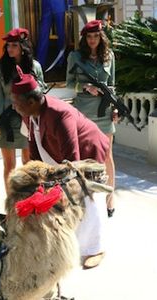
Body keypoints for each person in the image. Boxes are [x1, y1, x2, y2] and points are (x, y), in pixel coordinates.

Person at [11, 66, 110, 268]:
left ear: (31, 101)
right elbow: (34, 148)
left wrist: (55, 183)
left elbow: (71, 161)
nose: (13, 106)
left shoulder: (59, 115)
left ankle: (95, 248)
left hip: (87, 150)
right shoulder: (29, 113)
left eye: (16, 102)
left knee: (88, 195)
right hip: (57, 155)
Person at [66, 20, 116, 218]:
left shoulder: (109, 56)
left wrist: (116, 108)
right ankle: (86, 201)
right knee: (85, 157)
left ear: (101, 37)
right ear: (84, 38)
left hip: (104, 113)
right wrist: (85, 87)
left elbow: (112, 84)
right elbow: (70, 83)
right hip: (84, 113)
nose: (92, 39)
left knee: (107, 156)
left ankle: (110, 200)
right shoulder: (75, 56)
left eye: (96, 36)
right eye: (89, 36)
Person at [0, 28, 46, 193]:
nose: (9, 49)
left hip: (28, 120)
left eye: (14, 45)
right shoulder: (0, 66)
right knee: (9, 165)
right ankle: (11, 205)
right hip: (7, 119)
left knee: (28, 162)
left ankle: (30, 200)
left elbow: (42, 90)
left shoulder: (34, 66)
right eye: (8, 45)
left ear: (23, 46)